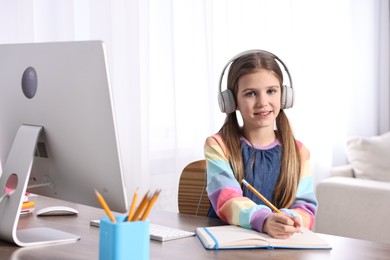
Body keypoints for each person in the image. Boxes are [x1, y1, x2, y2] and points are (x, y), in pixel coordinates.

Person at [204, 50, 317, 239]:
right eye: (250, 94)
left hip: (282, 247)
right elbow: (227, 199)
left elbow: (306, 208)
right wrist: (264, 220)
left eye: (271, 91)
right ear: (232, 102)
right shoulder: (218, 145)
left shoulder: (299, 152)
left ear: (284, 96)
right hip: (230, 246)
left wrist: (289, 219)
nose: (262, 102)